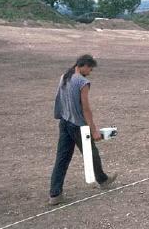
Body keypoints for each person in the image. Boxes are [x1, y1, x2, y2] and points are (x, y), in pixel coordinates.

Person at [49, 54, 117, 205]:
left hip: (65, 123)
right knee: (92, 154)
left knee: (62, 159)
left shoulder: (64, 76)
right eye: (90, 68)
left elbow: (58, 99)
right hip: (78, 126)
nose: (90, 71)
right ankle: (103, 180)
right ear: (84, 65)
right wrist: (93, 130)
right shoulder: (82, 82)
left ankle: (54, 194)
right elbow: (86, 109)